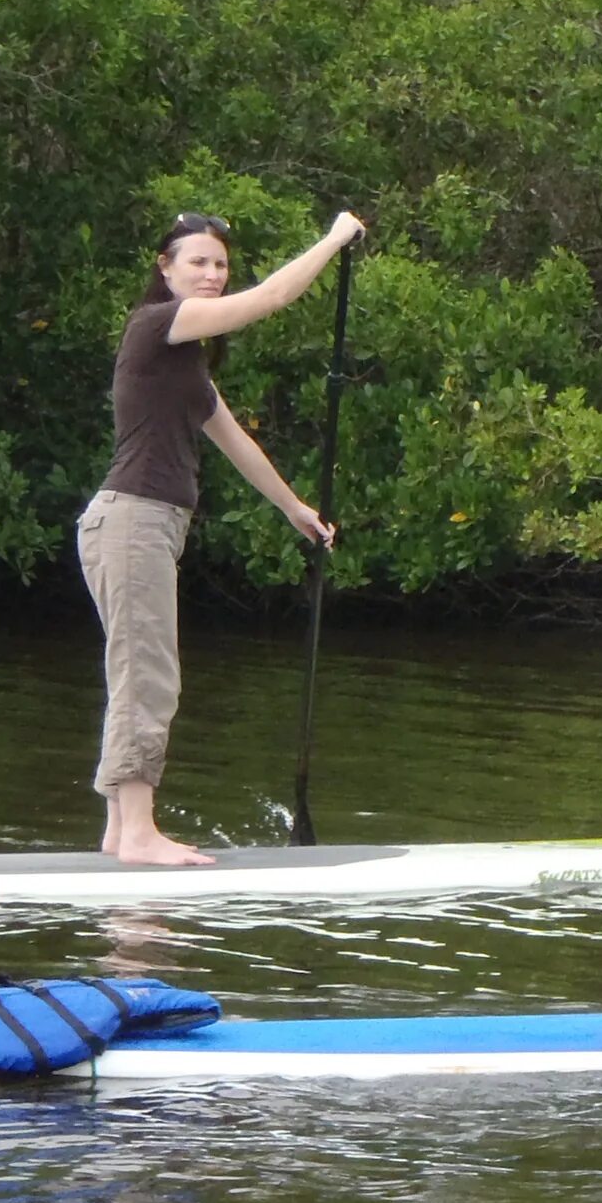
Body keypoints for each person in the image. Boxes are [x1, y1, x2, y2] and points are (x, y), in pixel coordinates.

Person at [80, 210, 362, 866]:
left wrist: (294, 507)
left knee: (140, 672)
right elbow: (269, 299)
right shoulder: (158, 324)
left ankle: (124, 832)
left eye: (220, 264)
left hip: (143, 524)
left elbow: (234, 440)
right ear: (165, 268)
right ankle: (141, 832)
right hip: (132, 519)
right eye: (198, 262)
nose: (212, 274)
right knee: (146, 674)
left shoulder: (184, 361)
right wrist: (331, 240)